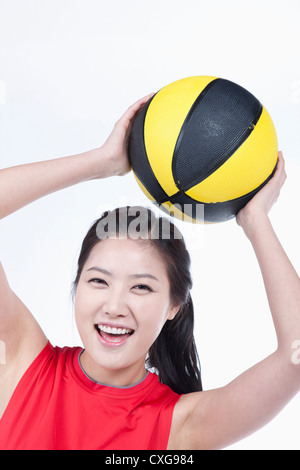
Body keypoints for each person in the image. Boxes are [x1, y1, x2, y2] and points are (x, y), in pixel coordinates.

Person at [0, 95, 299, 450]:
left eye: (141, 288)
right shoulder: (21, 362)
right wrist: (102, 162)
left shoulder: (182, 425)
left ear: (174, 305)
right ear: (76, 286)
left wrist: (256, 221)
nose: (114, 305)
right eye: (98, 280)